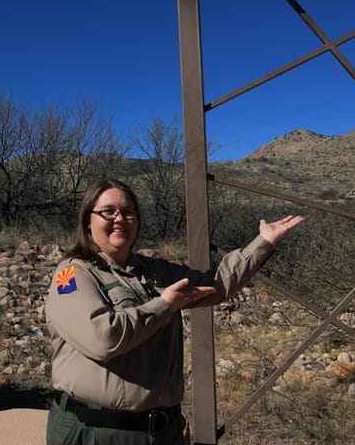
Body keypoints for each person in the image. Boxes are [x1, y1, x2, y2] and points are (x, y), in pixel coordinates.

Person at [44, 178, 304, 444]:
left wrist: (262, 242)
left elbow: (216, 284)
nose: (120, 218)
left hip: (164, 431)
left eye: (128, 211)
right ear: (88, 220)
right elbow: (102, 339)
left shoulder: (153, 271)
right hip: (98, 432)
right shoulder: (72, 273)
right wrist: (164, 304)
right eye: (108, 211)